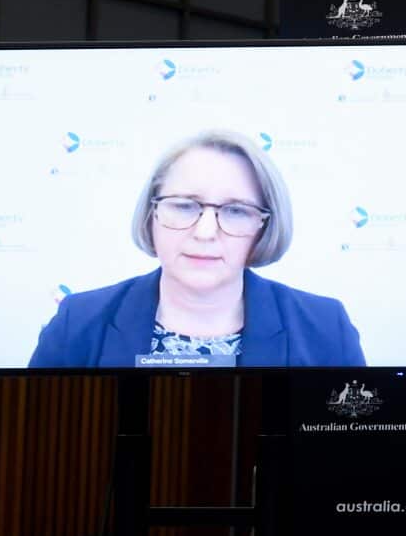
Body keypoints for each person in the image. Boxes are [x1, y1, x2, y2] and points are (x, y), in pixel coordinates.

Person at [29, 130, 365, 368]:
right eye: (184, 205)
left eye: (235, 211)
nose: (205, 232)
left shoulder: (325, 328)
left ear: (264, 225)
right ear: (152, 213)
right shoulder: (79, 322)